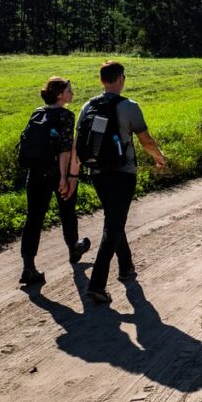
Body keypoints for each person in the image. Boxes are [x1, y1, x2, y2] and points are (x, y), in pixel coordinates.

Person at [79, 61, 166, 305]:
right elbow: (145, 140)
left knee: (114, 219)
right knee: (114, 224)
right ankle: (96, 284)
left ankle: (126, 267)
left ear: (101, 80)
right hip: (123, 172)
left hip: (97, 172)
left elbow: (79, 141)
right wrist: (160, 158)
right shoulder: (129, 106)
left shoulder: (87, 106)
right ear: (120, 79)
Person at [17, 77, 92, 285]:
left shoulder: (37, 112)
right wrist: (63, 177)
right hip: (56, 173)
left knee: (33, 219)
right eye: (69, 90)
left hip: (35, 173)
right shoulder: (66, 115)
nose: (72, 93)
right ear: (59, 95)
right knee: (67, 211)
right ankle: (73, 248)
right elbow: (65, 150)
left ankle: (28, 267)